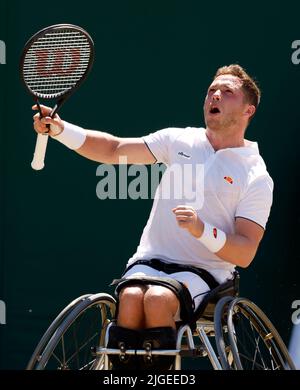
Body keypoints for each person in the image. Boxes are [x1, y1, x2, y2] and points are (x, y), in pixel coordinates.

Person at [33, 64, 273, 369]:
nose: (215, 95)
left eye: (227, 92)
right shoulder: (179, 140)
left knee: (157, 299)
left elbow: (245, 251)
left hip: (206, 272)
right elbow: (113, 149)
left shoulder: (255, 175)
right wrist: (60, 130)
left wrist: (202, 230)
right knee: (131, 297)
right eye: (212, 90)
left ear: (248, 110)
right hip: (150, 261)